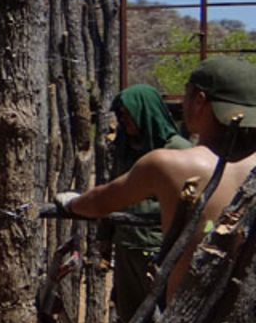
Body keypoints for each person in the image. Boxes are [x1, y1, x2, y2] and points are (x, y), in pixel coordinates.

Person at [58, 57, 256, 305]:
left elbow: (99, 202)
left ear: (200, 101)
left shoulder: (169, 164)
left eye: (186, 95)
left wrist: (71, 203)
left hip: (188, 322)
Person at [102, 84, 191, 323]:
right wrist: (105, 237)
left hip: (159, 246)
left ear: (145, 111)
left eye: (128, 113)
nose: (124, 120)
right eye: (120, 114)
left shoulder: (178, 151)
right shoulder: (123, 149)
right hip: (125, 246)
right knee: (129, 314)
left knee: (161, 313)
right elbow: (112, 194)